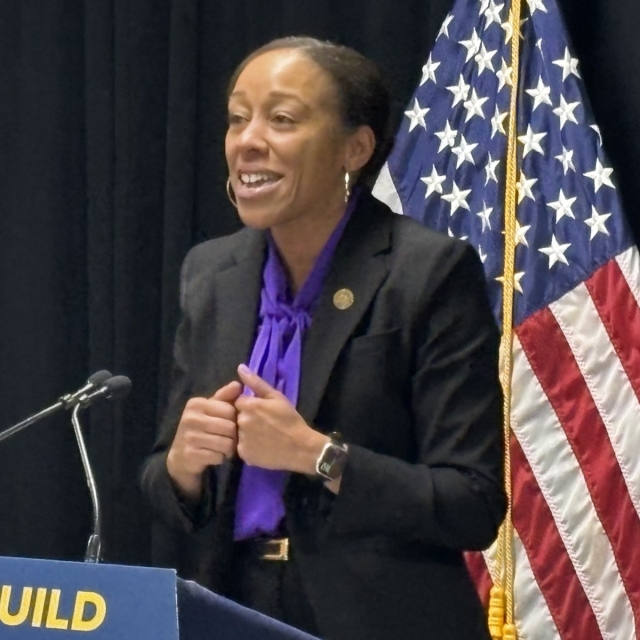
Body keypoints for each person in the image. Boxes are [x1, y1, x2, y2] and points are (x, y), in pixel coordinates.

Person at [142, 36, 506, 640]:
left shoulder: (427, 273)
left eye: (282, 119)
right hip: (228, 606)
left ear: (354, 148)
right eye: (237, 118)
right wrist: (182, 466)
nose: (247, 140)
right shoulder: (211, 274)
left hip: (379, 620)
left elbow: (471, 502)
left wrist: (319, 455)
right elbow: (164, 479)